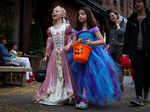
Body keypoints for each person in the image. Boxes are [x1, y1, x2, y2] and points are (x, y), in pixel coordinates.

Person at [67, 7, 122, 109]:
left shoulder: (93, 29)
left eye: (83, 14)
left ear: (88, 15)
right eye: (79, 14)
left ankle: (85, 99)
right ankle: (82, 97)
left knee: (89, 77)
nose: (80, 16)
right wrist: (73, 44)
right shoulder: (77, 31)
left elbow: (102, 41)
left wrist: (92, 42)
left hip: (92, 56)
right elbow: (73, 42)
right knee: (81, 77)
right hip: (80, 55)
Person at [34, 5, 74, 105]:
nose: (54, 13)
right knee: (53, 75)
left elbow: (69, 40)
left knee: (65, 74)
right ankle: (54, 92)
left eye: (56, 11)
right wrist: (46, 54)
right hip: (54, 55)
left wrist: (69, 46)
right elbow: (49, 43)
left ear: (63, 14)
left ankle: (66, 94)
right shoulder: (51, 29)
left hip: (64, 55)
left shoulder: (66, 27)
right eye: (53, 11)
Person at [122, 0, 150, 106]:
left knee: (147, 75)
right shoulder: (131, 19)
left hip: (148, 51)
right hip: (135, 52)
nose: (136, 4)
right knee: (138, 74)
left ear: (143, 3)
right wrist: (125, 52)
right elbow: (127, 37)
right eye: (135, 2)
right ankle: (139, 97)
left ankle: (146, 92)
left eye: (139, 1)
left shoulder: (149, 17)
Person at [107, 10, 127, 91]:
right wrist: (108, 45)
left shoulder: (123, 24)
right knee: (112, 66)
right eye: (110, 17)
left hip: (120, 48)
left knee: (118, 66)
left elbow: (122, 33)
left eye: (113, 16)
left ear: (117, 15)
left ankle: (120, 84)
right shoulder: (112, 26)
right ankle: (115, 84)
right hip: (112, 49)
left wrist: (118, 24)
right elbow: (111, 38)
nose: (111, 18)